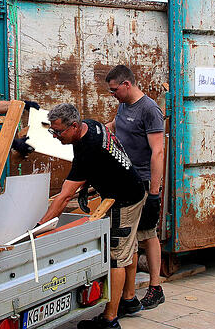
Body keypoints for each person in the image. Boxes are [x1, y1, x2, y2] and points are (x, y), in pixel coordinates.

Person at [39, 103, 146, 329]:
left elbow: (64, 196)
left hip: (123, 200)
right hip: (135, 190)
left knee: (116, 257)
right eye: (52, 131)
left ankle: (110, 319)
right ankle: (129, 299)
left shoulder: (88, 147)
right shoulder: (92, 125)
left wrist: (39, 228)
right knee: (130, 248)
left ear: (74, 126)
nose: (55, 136)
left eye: (58, 132)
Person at [105, 65, 165, 312]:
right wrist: (98, 130)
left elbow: (158, 152)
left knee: (148, 234)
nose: (112, 95)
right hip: (126, 179)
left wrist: (154, 192)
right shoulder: (124, 105)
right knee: (131, 236)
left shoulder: (149, 109)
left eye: (114, 90)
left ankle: (155, 287)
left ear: (126, 85)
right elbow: (117, 125)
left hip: (143, 180)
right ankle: (128, 294)